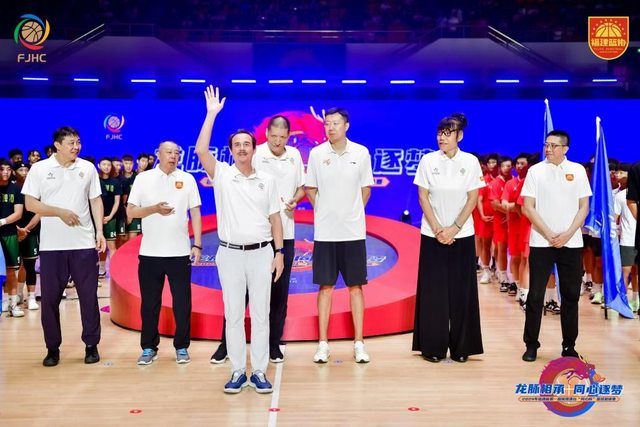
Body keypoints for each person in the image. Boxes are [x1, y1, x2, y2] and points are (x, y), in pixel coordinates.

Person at [195, 85, 284, 394]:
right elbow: (201, 151)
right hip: (230, 254)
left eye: (247, 144)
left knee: (261, 315)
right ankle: (236, 371)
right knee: (233, 314)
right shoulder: (221, 174)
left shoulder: (267, 180)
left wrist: (280, 252)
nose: (243, 148)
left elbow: (275, 219)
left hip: (262, 254)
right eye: (237, 145)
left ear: (254, 149)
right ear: (231, 151)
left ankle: (258, 371)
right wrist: (211, 114)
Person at [210, 114, 305, 365]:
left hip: (284, 232)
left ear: (288, 136)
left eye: (282, 137)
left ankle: (273, 345)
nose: (277, 141)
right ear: (266, 135)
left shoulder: (295, 156)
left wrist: (295, 199)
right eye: (273, 136)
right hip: (254, 233)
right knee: (238, 296)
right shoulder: (254, 153)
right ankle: (226, 345)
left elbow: (302, 186)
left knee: (278, 293)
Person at [22, 126, 107, 367]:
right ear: (57, 145)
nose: (76, 147)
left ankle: (91, 345)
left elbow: (95, 200)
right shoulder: (40, 169)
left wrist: (99, 231)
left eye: (78, 142)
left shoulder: (87, 168)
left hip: (83, 244)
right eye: (71, 143)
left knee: (88, 297)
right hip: (52, 246)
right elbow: (30, 204)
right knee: (50, 300)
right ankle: (52, 349)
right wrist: (59, 212)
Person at [412, 113, 484, 363]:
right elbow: (423, 197)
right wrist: (438, 229)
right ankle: (432, 347)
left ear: (459, 136)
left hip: (462, 234)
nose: (441, 137)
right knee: (434, 292)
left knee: (462, 292)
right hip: (432, 234)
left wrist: (454, 228)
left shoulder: (471, 162)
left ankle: (462, 348)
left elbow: (473, 198)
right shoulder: (428, 160)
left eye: (447, 133)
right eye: (439, 133)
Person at [306, 107, 374, 364]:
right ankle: (323, 344)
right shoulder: (316, 154)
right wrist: (324, 211)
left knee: (356, 287)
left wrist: (351, 213)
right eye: (327, 124)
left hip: (353, 233)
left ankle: (359, 343)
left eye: (335, 123)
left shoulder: (361, 152)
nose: (330, 127)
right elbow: (310, 188)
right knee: (325, 287)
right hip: (325, 233)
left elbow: (366, 189)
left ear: (346, 125)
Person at [127, 141, 202, 366]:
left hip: (179, 253)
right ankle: (149, 347)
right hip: (150, 253)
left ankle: (182, 346)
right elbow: (131, 212)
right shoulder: (143, 179)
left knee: (182, 303)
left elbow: (195, 212)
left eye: (177, 153)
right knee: (150, 304)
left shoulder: (187, 179)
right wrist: (154, 209)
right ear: (157, 154)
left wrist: (198, 244)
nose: (173, 156)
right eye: (168, 152)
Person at [521, 130, 591, 362]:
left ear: (565, 149)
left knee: (570, 296)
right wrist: (549, 234)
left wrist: (567, 234)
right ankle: (531, 344)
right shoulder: (535, 171)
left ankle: (569, 346)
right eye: (546, 145)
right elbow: (528, 207)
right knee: (535, 295)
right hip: (542, 242)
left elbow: (584, 207)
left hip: (571, 243)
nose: (548, 149)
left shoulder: (577, 170)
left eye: (553, 145)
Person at [13, 162, 41, 311]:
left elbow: (39, 212)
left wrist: (26, 229)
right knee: (15, 267)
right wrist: (17, 229)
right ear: (14, 172)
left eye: (26, 170)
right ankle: (17, 294)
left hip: (31, 232)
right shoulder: (12, 189)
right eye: (21, 169)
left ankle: (31, 297)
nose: (24, 172)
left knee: (30, 266)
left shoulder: (35, 188)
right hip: (13, 232)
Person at [1, 158, 25, 317]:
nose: (5, 172)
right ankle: (3, 301)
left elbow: (18, 213)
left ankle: (12, 304)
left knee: (11, 270)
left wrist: (2, 222)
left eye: (8, 169)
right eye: (2, 169)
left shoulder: (15, 189)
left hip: (9, 233)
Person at [614, 163, 638, 312]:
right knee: (625, 270)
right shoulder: (620, 196)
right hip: (627, 239)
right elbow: (614, 218)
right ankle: (622, 301)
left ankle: (636, 300)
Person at [97, 157, 122, 277]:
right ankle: (101, 269)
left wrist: (110, 216)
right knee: (100, 246)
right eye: (104, 164)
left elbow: (117, 202)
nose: (106, 167)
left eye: (108, 165)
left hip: (110, 218)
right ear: (99, 165)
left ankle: (114, 270)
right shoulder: (95, 180)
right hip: (97, 218)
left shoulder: (115, 182)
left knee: (112, 246)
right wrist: (98, 217)